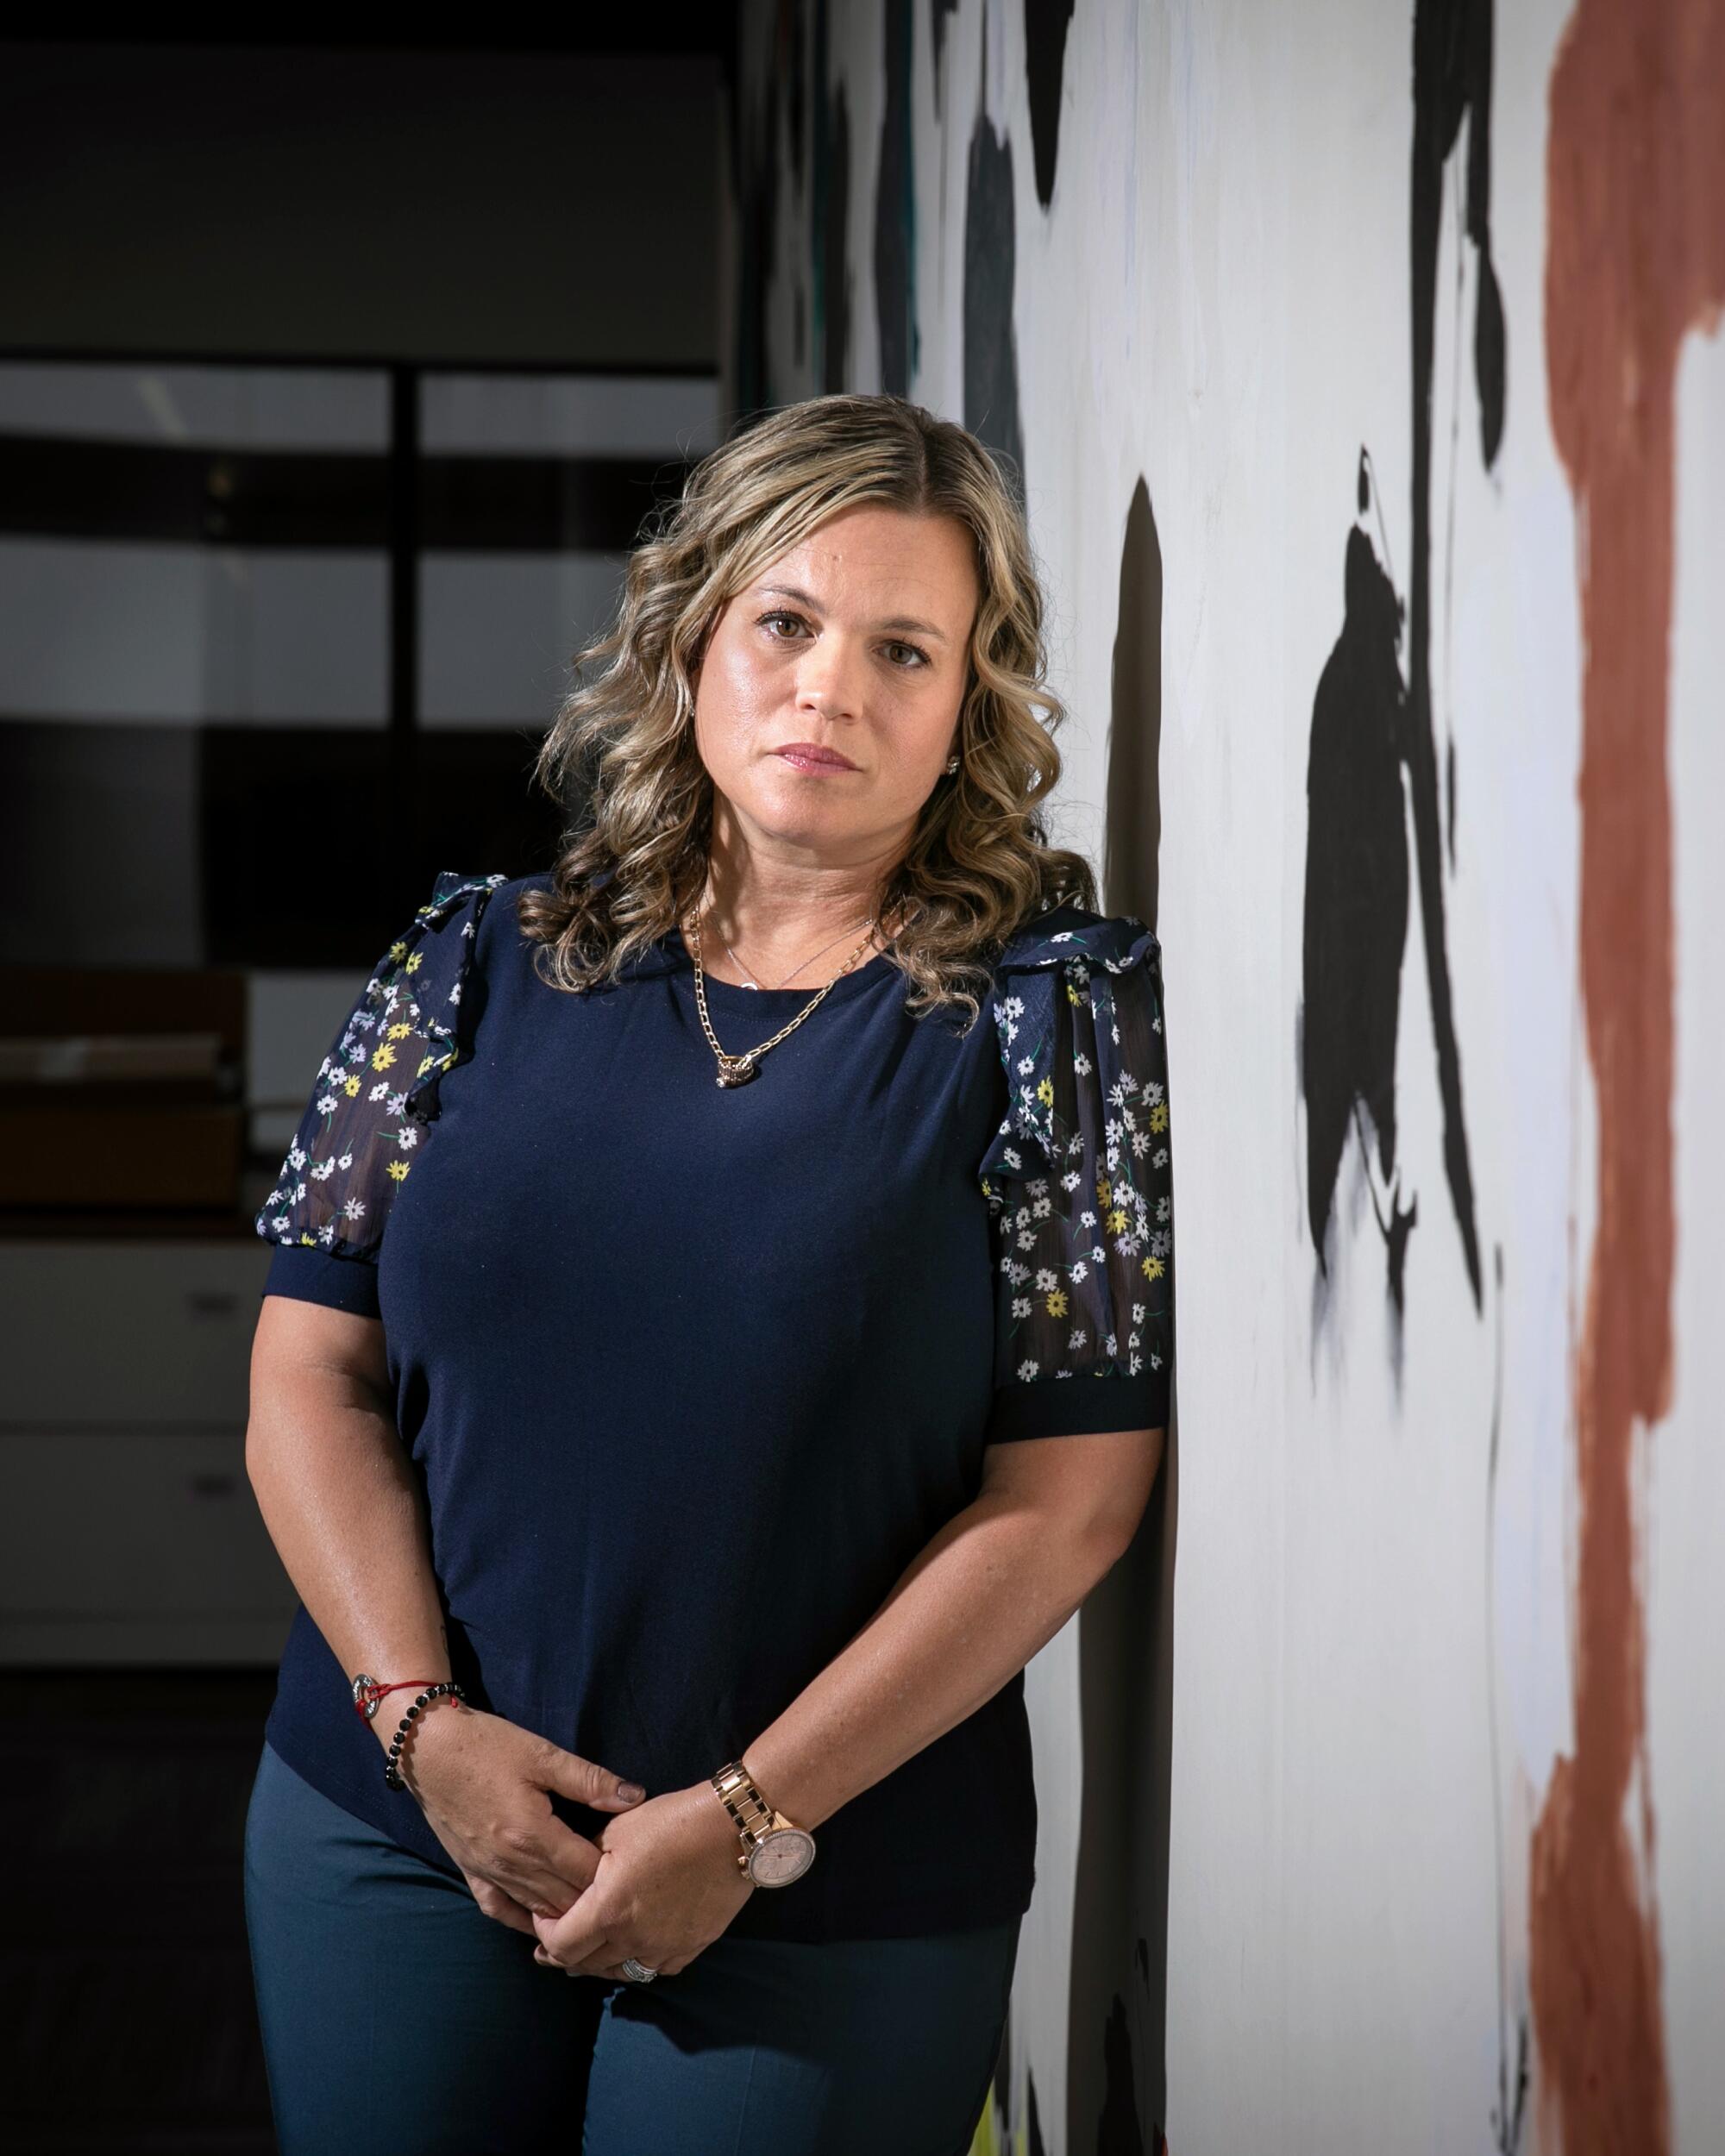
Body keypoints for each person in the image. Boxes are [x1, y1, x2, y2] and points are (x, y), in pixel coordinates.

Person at [241, 391, 1175, 2156]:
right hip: (391, 1830)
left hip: (833, 1882)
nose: (832, 684)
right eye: (787, 622)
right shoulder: (465, 958)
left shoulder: (1055, 1018)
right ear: (689, 643)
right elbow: (307, 1373)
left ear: (967, 706)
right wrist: (420, 1728)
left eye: (904, 647)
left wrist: (745, 1818)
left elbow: (1068, 1499)